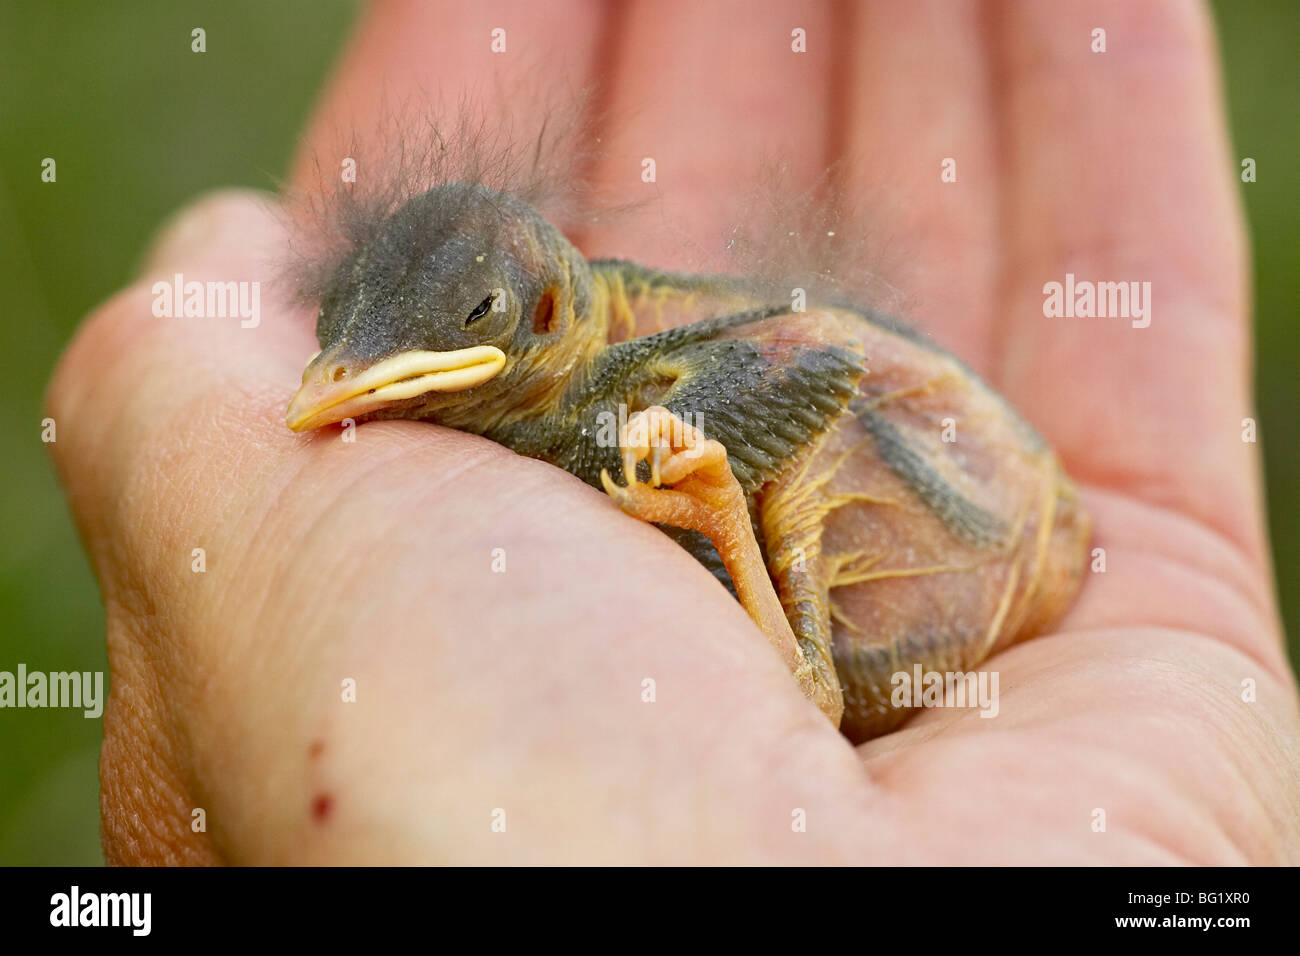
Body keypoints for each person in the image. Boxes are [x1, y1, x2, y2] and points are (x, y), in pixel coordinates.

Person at [48, 0, 1298, 864]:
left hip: (957, 550)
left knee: (702, 454)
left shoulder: (626, 396)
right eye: (348, 329)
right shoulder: (521, 400)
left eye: (471, 321)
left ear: (544, 311)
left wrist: (706, 494)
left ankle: (797, 649)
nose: (341, 381)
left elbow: (825, 367)